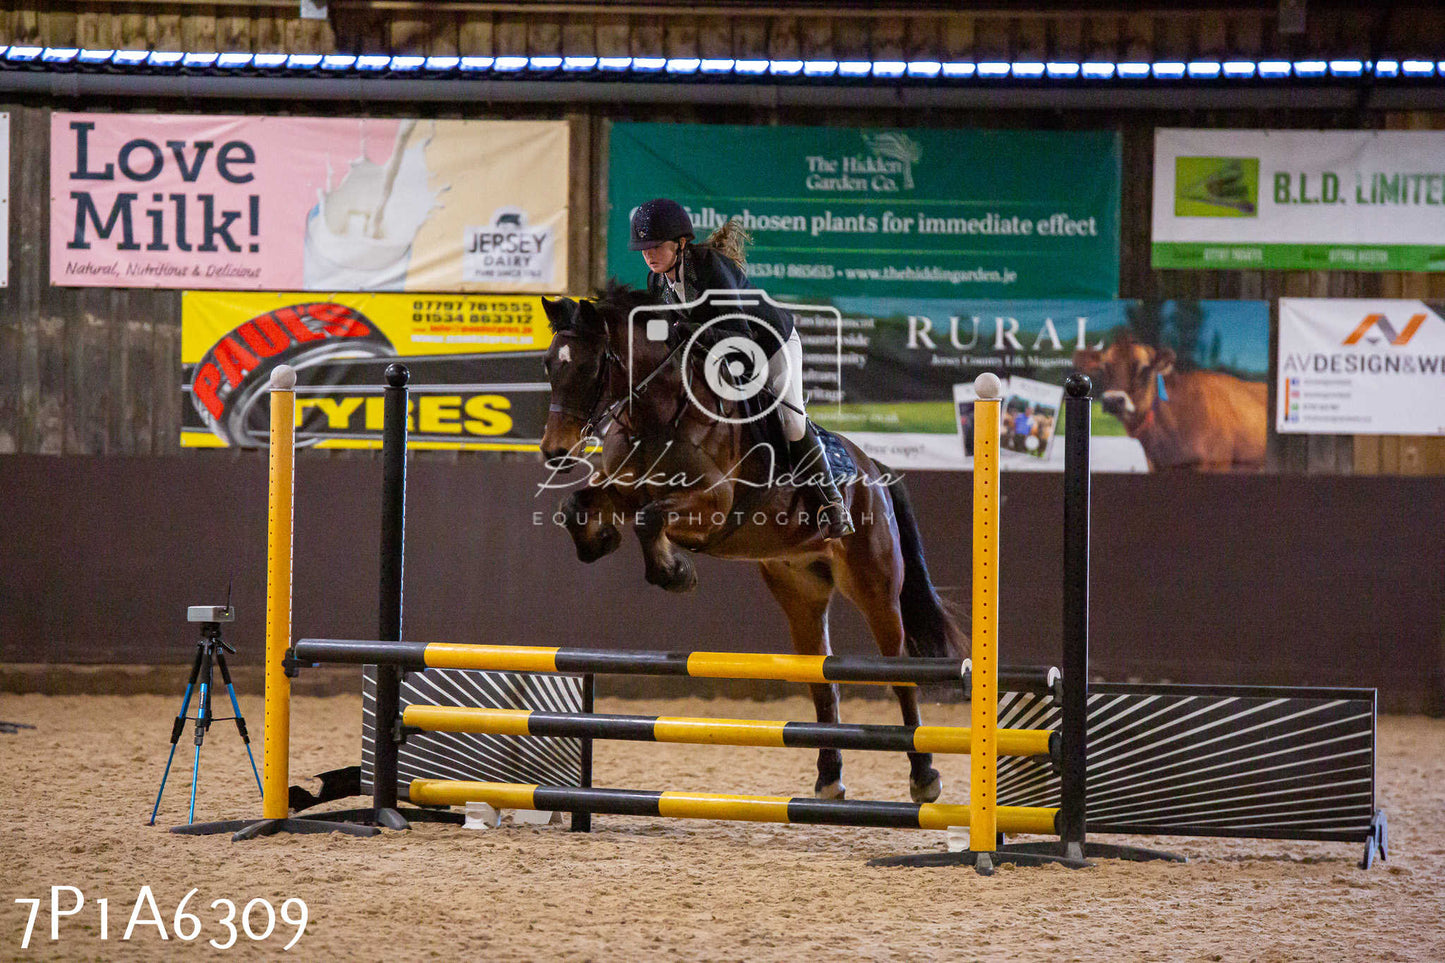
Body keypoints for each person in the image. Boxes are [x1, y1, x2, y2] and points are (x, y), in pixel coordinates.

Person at [629, 198, 853, 539]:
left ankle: (831, 502)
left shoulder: (709, 266)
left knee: (791, 418)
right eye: (644, 248)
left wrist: (684, 332)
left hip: (769, 342)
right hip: (720, 351)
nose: (649, 254)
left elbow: (738, 332)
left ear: (681, 243)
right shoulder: (656, 282)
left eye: (656, 246)